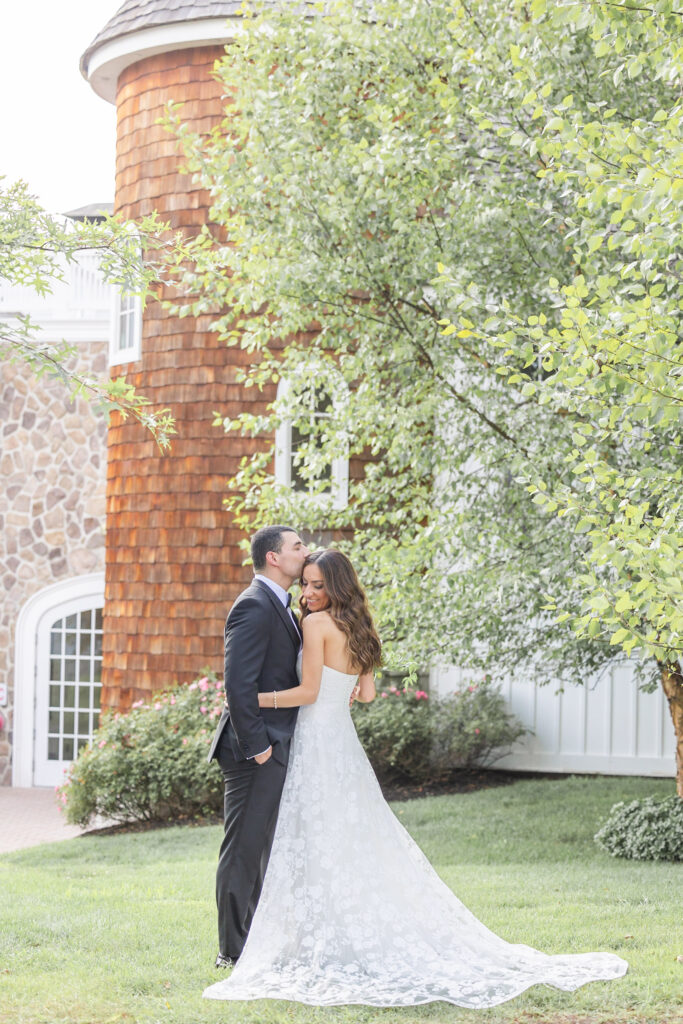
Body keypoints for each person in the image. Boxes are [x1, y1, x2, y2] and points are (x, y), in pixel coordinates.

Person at [204, 548, 628, 1008]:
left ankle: (310, 935)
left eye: (317, 586)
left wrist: (254, 699)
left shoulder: (315, 624)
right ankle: (327, 930)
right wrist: (336, 692)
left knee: (313, 835)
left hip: (314, 740)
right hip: (342, 742)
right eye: (305, 584)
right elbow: (364, 696)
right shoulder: (361, 628)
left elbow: (307, 692)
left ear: (336, 588)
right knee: (348, 834)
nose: (307, 593)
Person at [206, 524, 309, 969]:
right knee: (244, 849)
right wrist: (258, 748)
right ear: (273, 557)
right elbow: (237, 684)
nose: (305, 552)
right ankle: (231, 951)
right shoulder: (253, 605)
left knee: (263, 848)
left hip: (276, 746)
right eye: (297, 546)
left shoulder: (284, 606)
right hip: (254, 751)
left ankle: (252, 943)